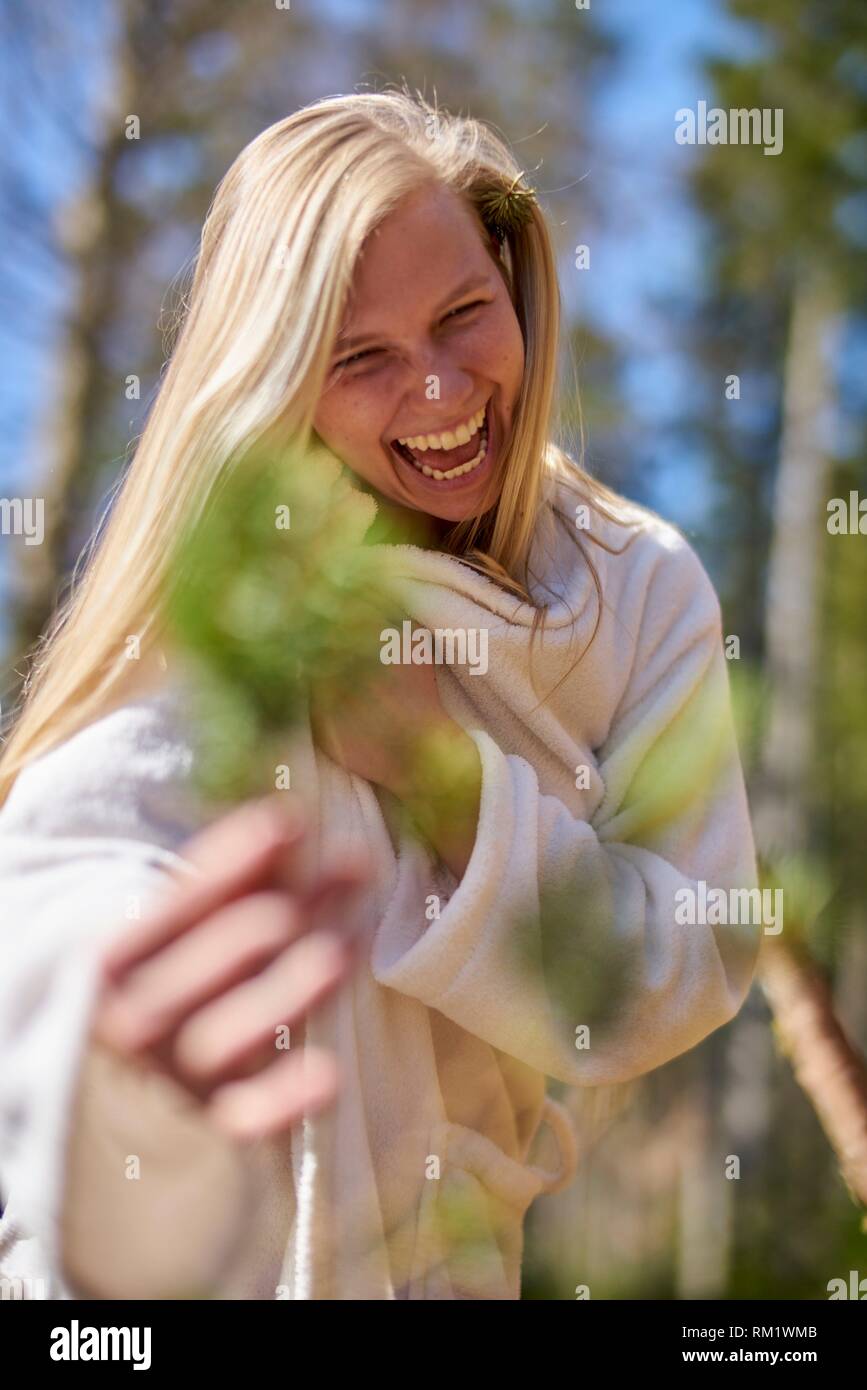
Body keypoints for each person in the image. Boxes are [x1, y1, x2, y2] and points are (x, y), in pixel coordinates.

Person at [0, 89, 761, 1301]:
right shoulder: (260, 566)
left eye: (464, 314)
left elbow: (685, 962)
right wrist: (118, 1016)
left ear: (517, 283)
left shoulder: (638, 589)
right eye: (362, 357)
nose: (440, 390)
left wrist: (438, 773)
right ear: (284, 377)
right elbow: (83, 844)